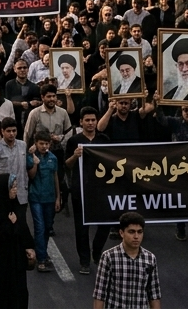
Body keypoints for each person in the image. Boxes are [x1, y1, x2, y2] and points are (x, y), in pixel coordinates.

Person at [0, 173, 36, 309]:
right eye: (12, 187)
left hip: (14, 265)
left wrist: (29, 247)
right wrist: (12, 225)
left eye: (16, 186)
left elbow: (22, 227)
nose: (15, 190)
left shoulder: (14, 205)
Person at [67, 106, 112, 274]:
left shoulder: (104, 139)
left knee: (106, 223)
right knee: (81, 228)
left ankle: (97, 250)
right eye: (87, 120)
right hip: (80, 189)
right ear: (81, 122)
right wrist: (75, 155)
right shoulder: (74, 141)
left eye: (93, 120)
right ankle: (84, 261)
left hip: (101, 189)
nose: (91, 123)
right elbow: (67, 164)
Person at [92, 212, 162, 309]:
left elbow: (154, 295)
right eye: (131, 232)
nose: (136, 236)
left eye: (140, 232)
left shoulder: (150, 258)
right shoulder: (108, 257)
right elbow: (100, 294)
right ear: (121, 233)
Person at [27, 130, 61, 273]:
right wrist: (34, 161)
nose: (44, 146)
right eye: (41, 143)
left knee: (47, 227)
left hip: (50, 197)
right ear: (36, 143)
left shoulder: (53, 158)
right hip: (36, 197)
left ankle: (43, 252)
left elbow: (55, 177)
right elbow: (31, 176)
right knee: (39, 227)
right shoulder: (30, 157)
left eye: (46, 144)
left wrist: (58, 197)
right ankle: (41, 259)